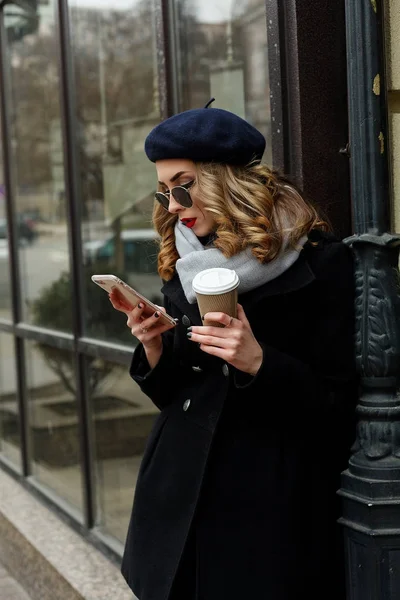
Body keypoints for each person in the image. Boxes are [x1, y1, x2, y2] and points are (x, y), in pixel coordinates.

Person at [109, 101, 358, 600]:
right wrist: (155, 346)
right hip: (180, 499)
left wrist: (258, 362)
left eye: (182, 184)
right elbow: (178, 391)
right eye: (162, 192)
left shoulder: (323, 263)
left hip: (267, 507)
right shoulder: (186, 260)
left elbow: (343, 405)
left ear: (227, 180)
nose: (172, 205)